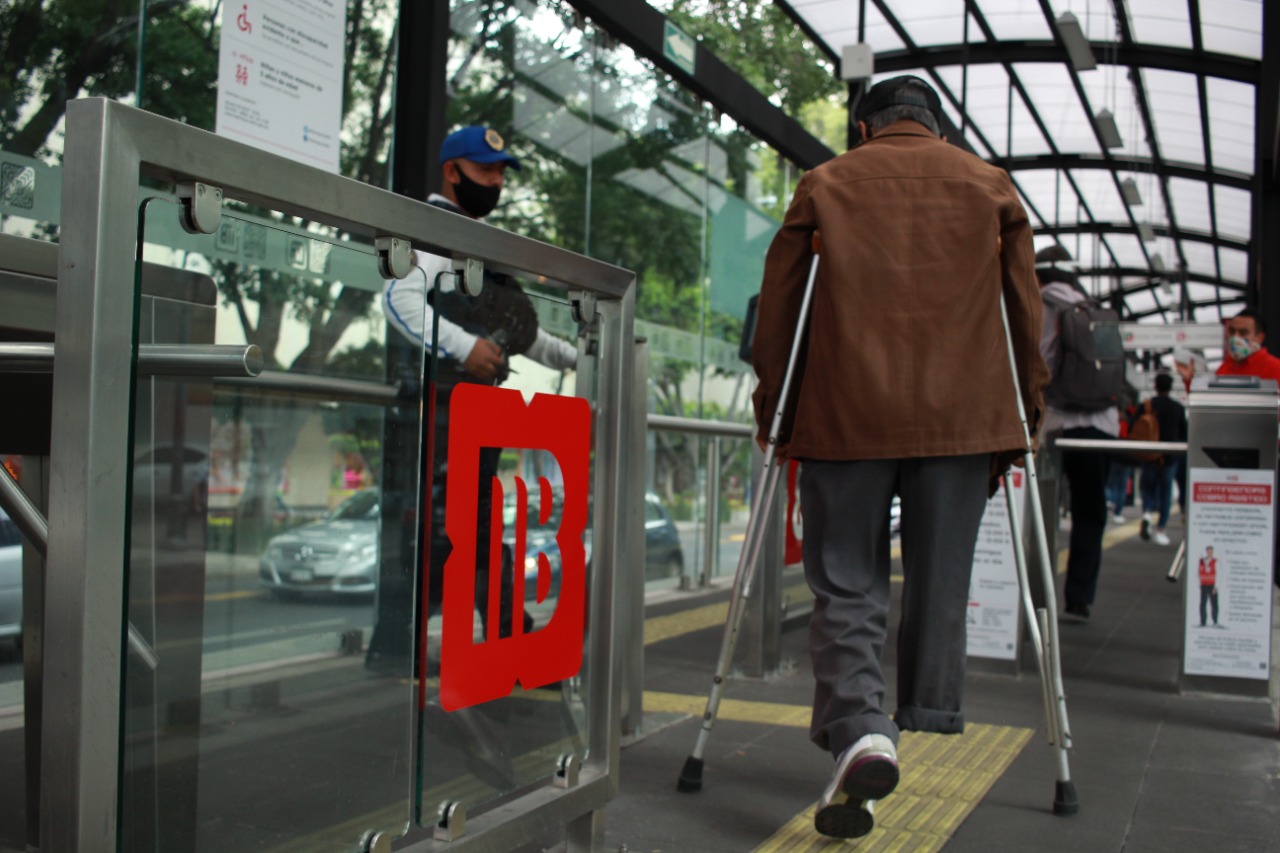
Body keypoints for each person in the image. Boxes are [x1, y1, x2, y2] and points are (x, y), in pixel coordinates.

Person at [750, 75, 1046, 840]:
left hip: (844, 413)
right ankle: (926, 708)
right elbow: (1023, 307)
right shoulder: (991, 187)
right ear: (937, 128)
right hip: (962, 417)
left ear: (862, 126)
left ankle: (861, 728)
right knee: (940, 574)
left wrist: (773, 405)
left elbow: (781, 305)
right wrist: (1026, 414)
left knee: (846, 579)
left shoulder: (826, 182)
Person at [381, 126, 577, 661]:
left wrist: (576, 355)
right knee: (458, 532)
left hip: (469, 418)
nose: (495, 182)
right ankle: (486, 641)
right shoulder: (436, 229)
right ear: (452, 171)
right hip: (439, 414)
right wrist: (464, 347)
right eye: (485, 171)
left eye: (499, 174)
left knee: (473, 531)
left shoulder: (474, 240)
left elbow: (519, 331)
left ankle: (483, 640)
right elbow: (399, 300)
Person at [1036, 244, 1118, 623]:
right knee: (1091, 512)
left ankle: (1037, 594)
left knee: (1041, 512)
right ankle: (1080, 598)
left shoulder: (1044, 302)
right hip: (1099, 427)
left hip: (1055, 424)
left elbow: (1041, 360)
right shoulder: (1091, 307)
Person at [1133, 374, 1186, 547]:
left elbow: (1135, 428)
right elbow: (1184, 433)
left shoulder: (1146, 406)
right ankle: (1161, 529)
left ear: (1155, 386)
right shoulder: (1177, 408)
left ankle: (1147, 512)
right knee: (1166, 491)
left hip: (1149, 453)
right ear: (1170, 387)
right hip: (1170, 456)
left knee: (1147, 486)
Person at [1216, 308, 1280, 382]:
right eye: (1232, 331)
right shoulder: (1224, 367)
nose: (1235, 337)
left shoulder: (1275, 368)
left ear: (1260, 338)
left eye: (1243, 332)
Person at [1198, 545, 1220, 628]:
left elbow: (1219, 574)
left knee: (1214, 604)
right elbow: (1198, 572)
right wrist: (1199, 584)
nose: (1210, 552)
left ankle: (1215, 621)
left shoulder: (1215, 561)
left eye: (1211, 551)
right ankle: (1203, 622)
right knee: (1203, 604)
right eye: (1208, 551)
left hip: (1212, 585)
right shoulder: (1201, 561)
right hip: (1203, 585)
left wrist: (1216, 586)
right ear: (1206, 551)